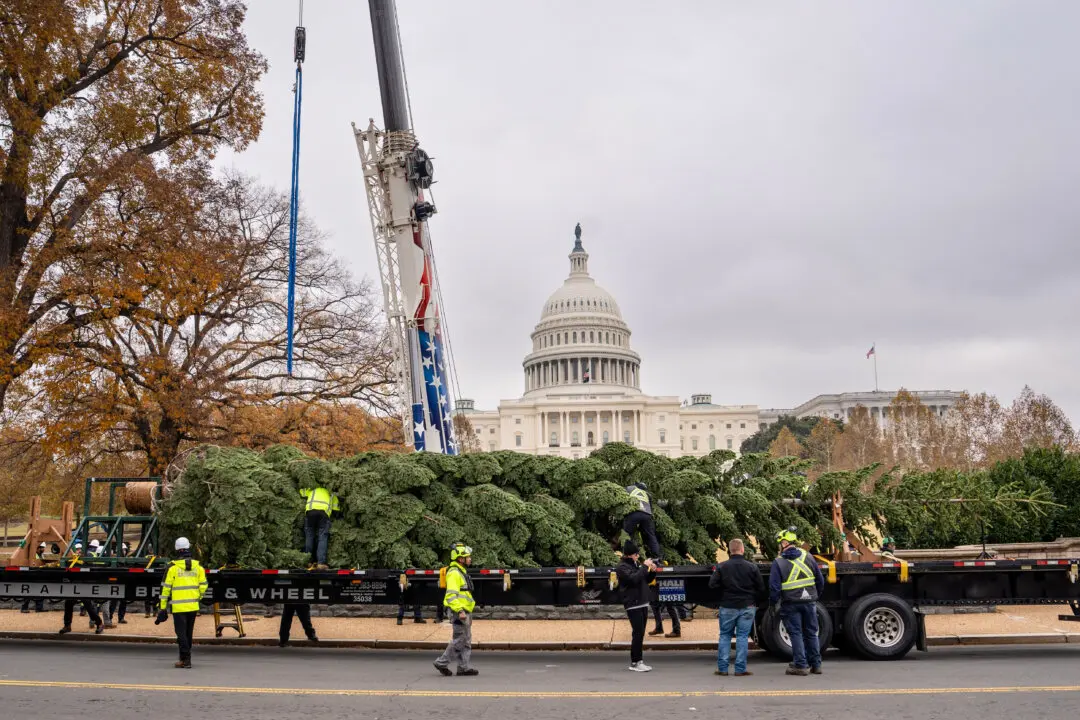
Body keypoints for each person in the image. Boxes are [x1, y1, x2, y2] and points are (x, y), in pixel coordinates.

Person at [769, 527, 826, 676]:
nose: (779, 546)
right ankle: (816, 665)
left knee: (796, 633)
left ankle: (800, 665)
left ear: (785, 542)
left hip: (791, 603)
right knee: (811, 633)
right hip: (810, 602)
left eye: (780, 543)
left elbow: (774, 587)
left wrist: (773, 604)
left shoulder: (778, 562)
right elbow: (820, 580)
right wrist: (814, 596)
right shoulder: (808, 556)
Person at [709, 538, 765, 676]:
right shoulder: (751, 567)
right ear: (742, 549)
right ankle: (740, 669)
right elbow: (761, 587)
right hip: (747, 605)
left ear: (730, 550)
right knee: (742, 637)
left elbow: (712, 585)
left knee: (725, 636)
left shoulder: (722, 567)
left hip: (727, 605)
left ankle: (722, 668)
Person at [155, 537, 208, 669]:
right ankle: (184, 658)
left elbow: (165, 589)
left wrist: (162, 608)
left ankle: (186, 659)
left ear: (177, 549)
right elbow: (204, 586)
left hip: (178, 607)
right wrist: (197, 598)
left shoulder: (172, 568)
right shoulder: (198, 567)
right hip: (193, 606)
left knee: (181, 634)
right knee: (188, 633)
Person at [433, 543, 478, 677]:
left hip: (464, 611)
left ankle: (463, 667)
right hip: (460, 612)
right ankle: (441, 662)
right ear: (460, 559)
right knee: (459, 640)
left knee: (466, 640)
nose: (469, 559)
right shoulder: (454, 573)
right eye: (467, 557)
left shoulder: (460, 572)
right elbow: (451, 596)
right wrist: (460, 611)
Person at [616, 539, 657, 672]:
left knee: (641, 633)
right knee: (637, 633)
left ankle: (639, 661)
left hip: (642, 601)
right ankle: (635, 662)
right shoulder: (622, 567)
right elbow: (633, 580)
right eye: (636, 554)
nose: (638, 556)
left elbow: (645, 579)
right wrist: (645, 567)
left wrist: (652, 571)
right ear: (629, 554)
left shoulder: (636, 564)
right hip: (633, 603)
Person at [299, 485, 340, 569]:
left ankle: (308, 561)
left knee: (309, 536)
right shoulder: (332, 494)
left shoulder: (312, 490)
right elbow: (336, 509)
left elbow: (301, 492)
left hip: (310, 513)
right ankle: (321, 563)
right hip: (323, 515)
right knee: (322, 537)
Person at [623, 482, 661, 560]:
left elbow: (622, 496)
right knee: (651, 535)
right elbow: (650, 508)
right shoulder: (647, 494)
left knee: (627, 534)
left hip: (634, 513)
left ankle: (626, 553)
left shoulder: (630, 488)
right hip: (647, 515)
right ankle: (656, 556)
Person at [648, 560, 681, 638]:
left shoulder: (660, 559)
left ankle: (676, 631)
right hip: (656, 584)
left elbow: (665, 566)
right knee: (655, 606)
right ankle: (659, 628)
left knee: (670, 607)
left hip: (663, 584)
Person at [21, 543, 47, 613]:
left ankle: (39, 608)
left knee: (40, 591)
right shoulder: (33, 555)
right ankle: (24, 608)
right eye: (43, 548)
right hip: (31, 574)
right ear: (38, 548)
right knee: (29, 592)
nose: (44, 550)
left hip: (38, 574)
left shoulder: (40, 555)